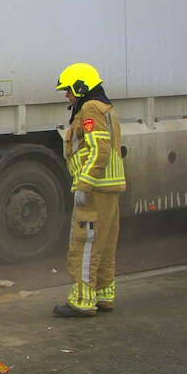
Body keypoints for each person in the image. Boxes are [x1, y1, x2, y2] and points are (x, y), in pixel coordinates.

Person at [53, 63, 125, 318]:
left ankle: (82, 301)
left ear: (81, 87)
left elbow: (100, 150)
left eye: (69, 90)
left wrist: (84, 184)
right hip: (108, 188)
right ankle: (103, 295)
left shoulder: (90, 108)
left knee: (85, 245)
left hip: (95, 190)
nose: (67, 95)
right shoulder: (106, 108)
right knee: (104, 245)